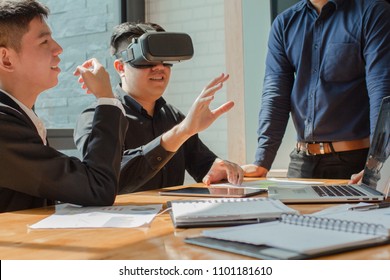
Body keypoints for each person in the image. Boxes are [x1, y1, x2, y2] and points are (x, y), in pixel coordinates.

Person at [74, 22, 243, 194]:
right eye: (145, 60)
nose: (159, 67)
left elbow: (204, 165)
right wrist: (180, 133)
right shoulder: (97, 117)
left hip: (170, 217)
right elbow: (105, 178)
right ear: (120, 67)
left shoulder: (173, 117)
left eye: (165, 60)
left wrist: (220, 167)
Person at [0, 0, 129, 212]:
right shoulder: (4, 125)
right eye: (44, 42)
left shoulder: (20, 117)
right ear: (6, 59)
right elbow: (97, 188)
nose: (58, 49)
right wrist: (107, 98)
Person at [243, 0, 390, 180]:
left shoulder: (372, 12)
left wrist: (374, 164)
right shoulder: (284, 23)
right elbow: (275, 93)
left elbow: (381, 89)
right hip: (301, 162)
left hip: (354, 163)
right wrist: (261, 161)